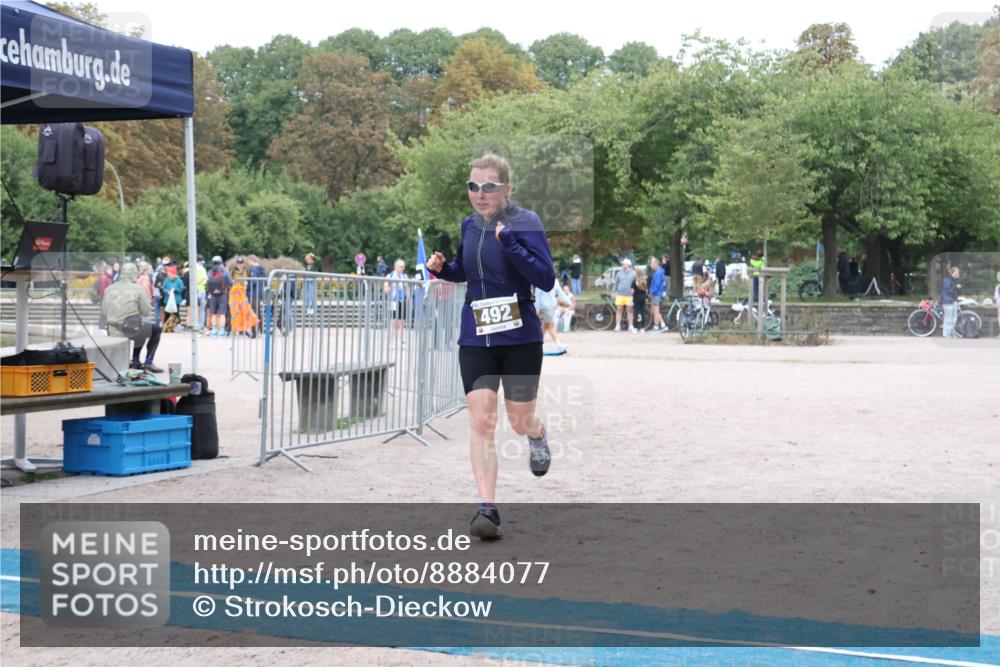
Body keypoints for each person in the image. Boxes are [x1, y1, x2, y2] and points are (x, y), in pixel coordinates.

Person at [425, 153, 555, 540]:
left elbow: (545, 278)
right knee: (481, 420)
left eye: (488, 187)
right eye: (472, 186)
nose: (479, 194)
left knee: (518, 420)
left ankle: (536, 433)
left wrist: (512, 244)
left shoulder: (526, 223)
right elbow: (468, 272)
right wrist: (442, 269)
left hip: (519, 338)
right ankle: (487, 508)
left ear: (506, 189)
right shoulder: (468, 225)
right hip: (476, 336)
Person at [103, 263, 163, 373]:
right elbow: (145, 312)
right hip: (129, 328)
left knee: (140, 326)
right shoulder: (138, 289)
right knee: (155, 330)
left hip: (112, 328)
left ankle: (135, 361)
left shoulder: (109, 289)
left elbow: (104, 311)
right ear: (133, 274)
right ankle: (147, 362)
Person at [206, 255, 233, 337]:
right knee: (222, 313)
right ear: (221, 262)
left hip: (213, 295)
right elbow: (230, 282)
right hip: (223, 294)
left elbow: (207, 283)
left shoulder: (210, 272)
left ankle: (213, 331)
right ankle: (221, 331)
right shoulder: (225, 271)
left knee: (213, 313)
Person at [386, 259, 409, 343]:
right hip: (393, 301)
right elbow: (385, 289)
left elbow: (407, 289)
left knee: (402, 322)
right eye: (401, 267)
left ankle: (403, 341)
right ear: (396, 267)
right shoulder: (390, 275)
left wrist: (408, 298)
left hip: (402, 301)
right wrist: (394, 286)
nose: (403, 268)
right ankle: (391, 341)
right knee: (393, 322)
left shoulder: (405, 276)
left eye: (403, 267)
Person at [613, 257, 637, 332]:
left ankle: (630, 325)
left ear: (628, 264)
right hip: (620, 294)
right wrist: (613, 292)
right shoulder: (619, 273)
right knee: (619, 309)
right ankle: (617, 325)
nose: (623, 265)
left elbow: (636, 284)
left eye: (624, 264)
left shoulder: (633, 273)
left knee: (630, 310)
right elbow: (615, 283)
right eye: (623, 264)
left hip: (629, 295)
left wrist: (635, 292)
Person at [160, 264, 185, 332]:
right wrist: (167, 291)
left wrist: (175, 289)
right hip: (167, 299)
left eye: (169, 274)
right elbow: (164, 288)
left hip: (176, 299)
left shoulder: (179, 280)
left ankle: (177, 326)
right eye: (168, 274)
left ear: (173, 274)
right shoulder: (166, 280)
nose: (168, 275)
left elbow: (181, 289)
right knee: (167, 312)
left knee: (176, 313)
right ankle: (165, 326)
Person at [648, 257, 667, 331]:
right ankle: (663, 325)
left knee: (655, 311)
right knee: (654, 310)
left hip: (656, 294)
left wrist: (652, 292)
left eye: (652, 263)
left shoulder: (658, 273)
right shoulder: (659, 272)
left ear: (656, 264)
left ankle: (656, 326)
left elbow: (657, 284)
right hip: (656, 294)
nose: (650, 265)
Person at [941, 266, 961, 338]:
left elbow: (953, 290)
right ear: (952, 273)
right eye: (957, 272)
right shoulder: (947, 280)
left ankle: (951, 333)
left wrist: (956, 288)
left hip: (953, 301)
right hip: (947, 301)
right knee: (948, 318)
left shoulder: (953, 280)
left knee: (954, 318)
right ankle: (946, 334)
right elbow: (948, 290)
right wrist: (956, 287)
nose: (958, 274)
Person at [632, 267, 649, 332]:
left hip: (636, 298)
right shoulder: (644, 280)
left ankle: (636, 327)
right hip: (643, 298)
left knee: (636, 313)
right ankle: (642, 327)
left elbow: (632, 291)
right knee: (642, 312)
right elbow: (646, 290)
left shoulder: (634, 281)